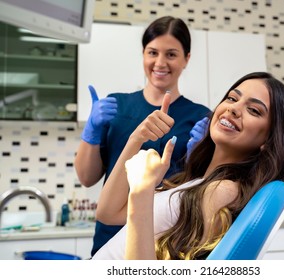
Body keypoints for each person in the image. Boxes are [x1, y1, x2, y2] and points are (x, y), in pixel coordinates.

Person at [91, 71, 284, 260]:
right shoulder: (198, 180)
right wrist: (137, 138)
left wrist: (142, 190)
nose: (234, 109)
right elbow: (108, 213)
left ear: (269, 139)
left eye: (254, 110)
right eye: (232, 98)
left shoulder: (223, 190)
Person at [74, 16, 211, 257]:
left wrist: (198, 159)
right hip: (110, 237)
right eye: (152, 52)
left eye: (171, 54)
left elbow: (201, 196)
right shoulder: (118, 106)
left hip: (165, 240)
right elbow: (87, 177)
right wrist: (92, 133)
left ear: (186, 59)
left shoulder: (200, 118)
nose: (160, 62)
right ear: (143, 54)